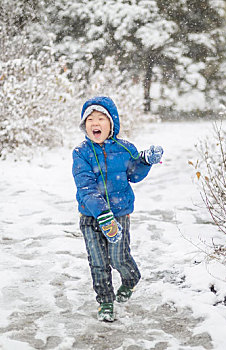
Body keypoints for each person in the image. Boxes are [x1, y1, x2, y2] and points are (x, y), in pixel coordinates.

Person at [72, 96, 163, 322]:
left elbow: (134, 174)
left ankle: (131, 279)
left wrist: (145, 161)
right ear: (85, 125)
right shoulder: (81, 153)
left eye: (101, 118)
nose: (95, 123)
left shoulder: (124, 149)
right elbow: (85, 186)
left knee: (118, 257)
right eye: (90, 119)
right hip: (91, 216)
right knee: (98, 261)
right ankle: (105, 301)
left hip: (120, 213)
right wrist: (102, 214)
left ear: (111, 123)